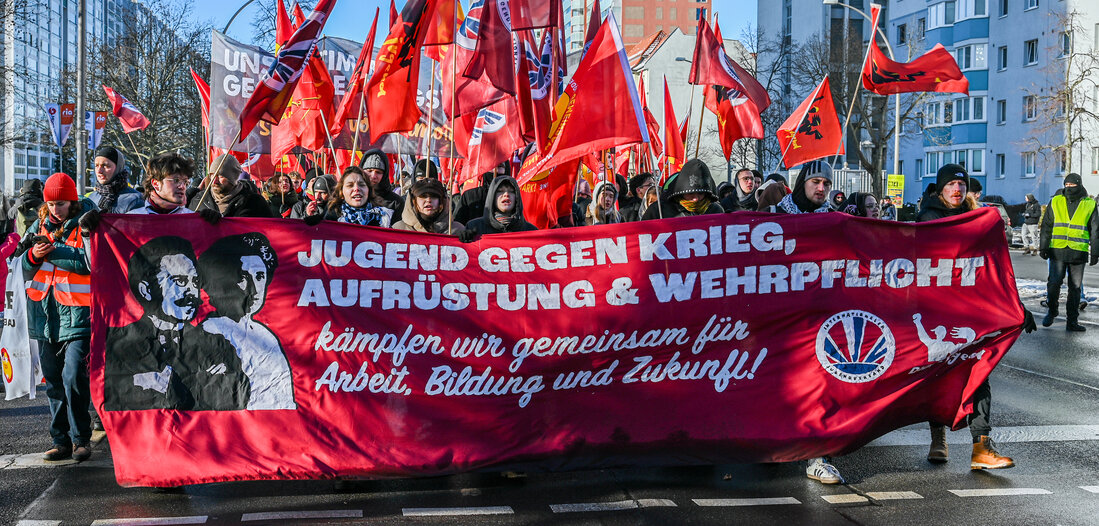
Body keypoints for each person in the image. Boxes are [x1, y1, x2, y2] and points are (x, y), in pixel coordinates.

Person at [918, 163, 1029, 470]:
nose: (957, 189)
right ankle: (937, 437)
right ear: (941, 189)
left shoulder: (977, 218)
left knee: (979, 371)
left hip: (971, 311)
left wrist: (1016, 304)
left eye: (962, 185)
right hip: (937, 310)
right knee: (939, 376)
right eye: (951, 184)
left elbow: (993, 267)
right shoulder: (928, 217)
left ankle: (982, 446)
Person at [104, 236, 249, 411]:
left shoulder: (217, 345)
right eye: (180, 281)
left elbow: (238, 396)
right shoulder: (119, 344)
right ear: (146, 290)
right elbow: (114, 399)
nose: (191, 292)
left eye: (194, 282)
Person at [17, 173, 93, 461]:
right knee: (53, 382)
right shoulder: (38, 225)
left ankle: (80, 440)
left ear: (72, 202)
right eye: (50, 203)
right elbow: (21, 268)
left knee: (73, 377)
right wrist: (34, 256)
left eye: (60, 203)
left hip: (77, 316)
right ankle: (60, 441)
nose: (55, 209)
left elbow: (87, 263)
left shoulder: (85, 225)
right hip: (45, 317)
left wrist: (50, 252)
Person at [199, 234, 295, 410]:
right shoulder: (206, 335)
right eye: (242, 277)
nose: (254, 287)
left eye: (259, 275)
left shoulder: (264, 335)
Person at [1039, 173, 1099, 332]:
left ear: (1079, 185)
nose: (1070, 188)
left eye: (1073, 185)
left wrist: (1095, 253)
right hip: (1057, 251)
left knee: (1075, 288)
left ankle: (1072, 321)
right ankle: (1052, 311)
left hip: (1078, 253)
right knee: (1053, 284)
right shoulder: (1056, 201)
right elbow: (1046, 226)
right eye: (1067, 185)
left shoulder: (1089, 204)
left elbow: (1095, 230)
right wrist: (1043, 247)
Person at [305, 166, 394, 227]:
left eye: (361, 184)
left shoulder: (384, 219)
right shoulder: (329, 219)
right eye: (350, 185)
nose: (356, 189)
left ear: (369, 190)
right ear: (342, 192)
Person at [189, 154, 272, 218]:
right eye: (212, 175)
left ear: (232, 178)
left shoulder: (254, 202)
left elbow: (269, 231)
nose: (214, 181)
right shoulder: (198, 200)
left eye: (220, 176)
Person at [641, 159, 724, 219]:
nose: (696, 199)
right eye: (690, 193)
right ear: (680, 192)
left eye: (700, 194)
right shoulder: (658, 210)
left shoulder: (716, 210)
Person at [465, 175, 538, 235]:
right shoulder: (474, 227)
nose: (506, 194)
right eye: (500, 191)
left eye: (511, 191)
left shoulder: (531, 231)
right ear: (492, 196)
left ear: (517, 197)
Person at [130, 153, 196, 216]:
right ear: (156, 184)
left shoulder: (191, 219)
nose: (182, 186)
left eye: (185, 182)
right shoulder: (133, 219)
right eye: (176, 180)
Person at [392, 178, 465, 234]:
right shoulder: (398, 229)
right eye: (423, 196)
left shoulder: (457, 230)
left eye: (434, 196)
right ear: (414, 201)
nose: (428, 200)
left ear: (442, 201)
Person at [87, 146, 143, 214]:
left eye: (105, 165)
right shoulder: (90, 199)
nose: (99, 171)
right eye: (96, 165)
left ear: (118, 167)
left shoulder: (135, 200)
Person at [359, 149, 403, 216]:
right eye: (369, 171)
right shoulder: (354, 197)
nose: (373, 176)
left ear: (384, 175)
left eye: (378, 172)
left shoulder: (396, 202)